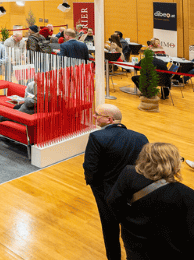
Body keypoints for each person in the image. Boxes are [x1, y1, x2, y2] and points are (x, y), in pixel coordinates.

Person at [83, 104, 149, 260]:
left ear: (109, 119)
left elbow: (90, 169)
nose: (94, 117)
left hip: (107, 193)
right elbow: (146, 165)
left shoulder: (97, 137)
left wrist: (95, 187)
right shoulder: (141, 137)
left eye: (97, 114)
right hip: (135, 192)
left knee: (110, 230)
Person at [106, 142, 194, 260]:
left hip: (134, 243)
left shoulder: (128, 173)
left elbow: (113, 202)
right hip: (168, 250)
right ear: (173, 164)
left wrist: (129, 223)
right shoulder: (186, 194)